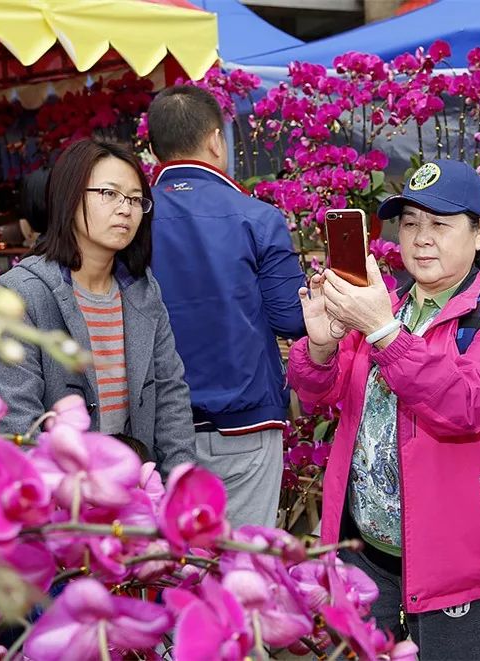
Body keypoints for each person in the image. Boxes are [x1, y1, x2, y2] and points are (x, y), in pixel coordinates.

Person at [287, 160, 480, 660]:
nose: (421, 239)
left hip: (452, 564)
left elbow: (466, 403)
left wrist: (383, 333)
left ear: (479, 232)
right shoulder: (386, 303)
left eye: (440, 225)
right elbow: (318, 395)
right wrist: (320, 346)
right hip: (365, 548)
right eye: (411, 223)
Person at [0, 138, 195, 474]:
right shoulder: (20, 294)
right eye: (109, 194)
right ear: (70, 196)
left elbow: (171, 395)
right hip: (63, 499)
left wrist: (180, 482)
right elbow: (16, 419)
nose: (125, 209)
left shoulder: (142, 290)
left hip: (137, 491)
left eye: (136, 199)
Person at [146, 85, 307, 527]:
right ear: (216, 139)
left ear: (153, 147)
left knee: (173, 572)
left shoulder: (131, 220)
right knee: (243, 569)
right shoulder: (258, 217)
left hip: (158, 426)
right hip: (244, 423)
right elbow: (291, 319)